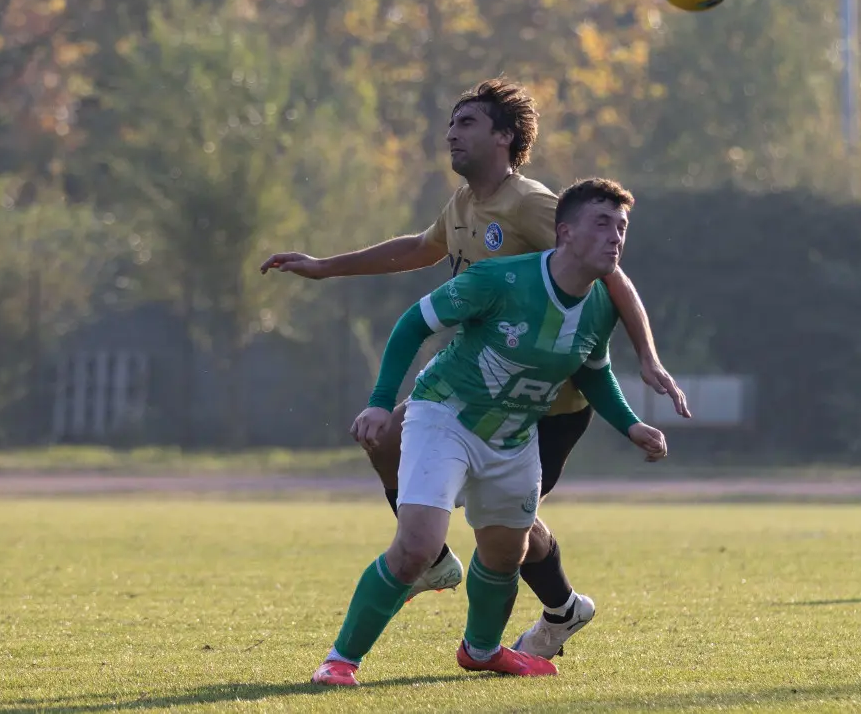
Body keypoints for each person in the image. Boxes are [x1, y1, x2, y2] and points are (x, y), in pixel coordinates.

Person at [261, 78, 690, 660]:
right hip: (474, 386)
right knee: (385, 436)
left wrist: (647, 358)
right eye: (450, 124)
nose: (450, 134)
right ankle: (434, 562)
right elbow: (418, 249)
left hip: (547, 403)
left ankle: (560, 611)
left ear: (504, 137)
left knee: (512, 533)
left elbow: (610, 276)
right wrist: (325, 267)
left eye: (466, 124)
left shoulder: (532, 204)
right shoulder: (463, 205)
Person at [311, 178, 669, 685]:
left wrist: (631, 425)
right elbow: (414, 323)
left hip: (514, 436)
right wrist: (377, 404)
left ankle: (480, 651)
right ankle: (341, 660)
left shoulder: (601, 305)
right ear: (564, 233)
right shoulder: (500, 279)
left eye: (622, 227)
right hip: (445, 416)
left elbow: (592, 370)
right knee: (416, 547)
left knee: (506, 553)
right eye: (602, 223)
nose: (616, 237)